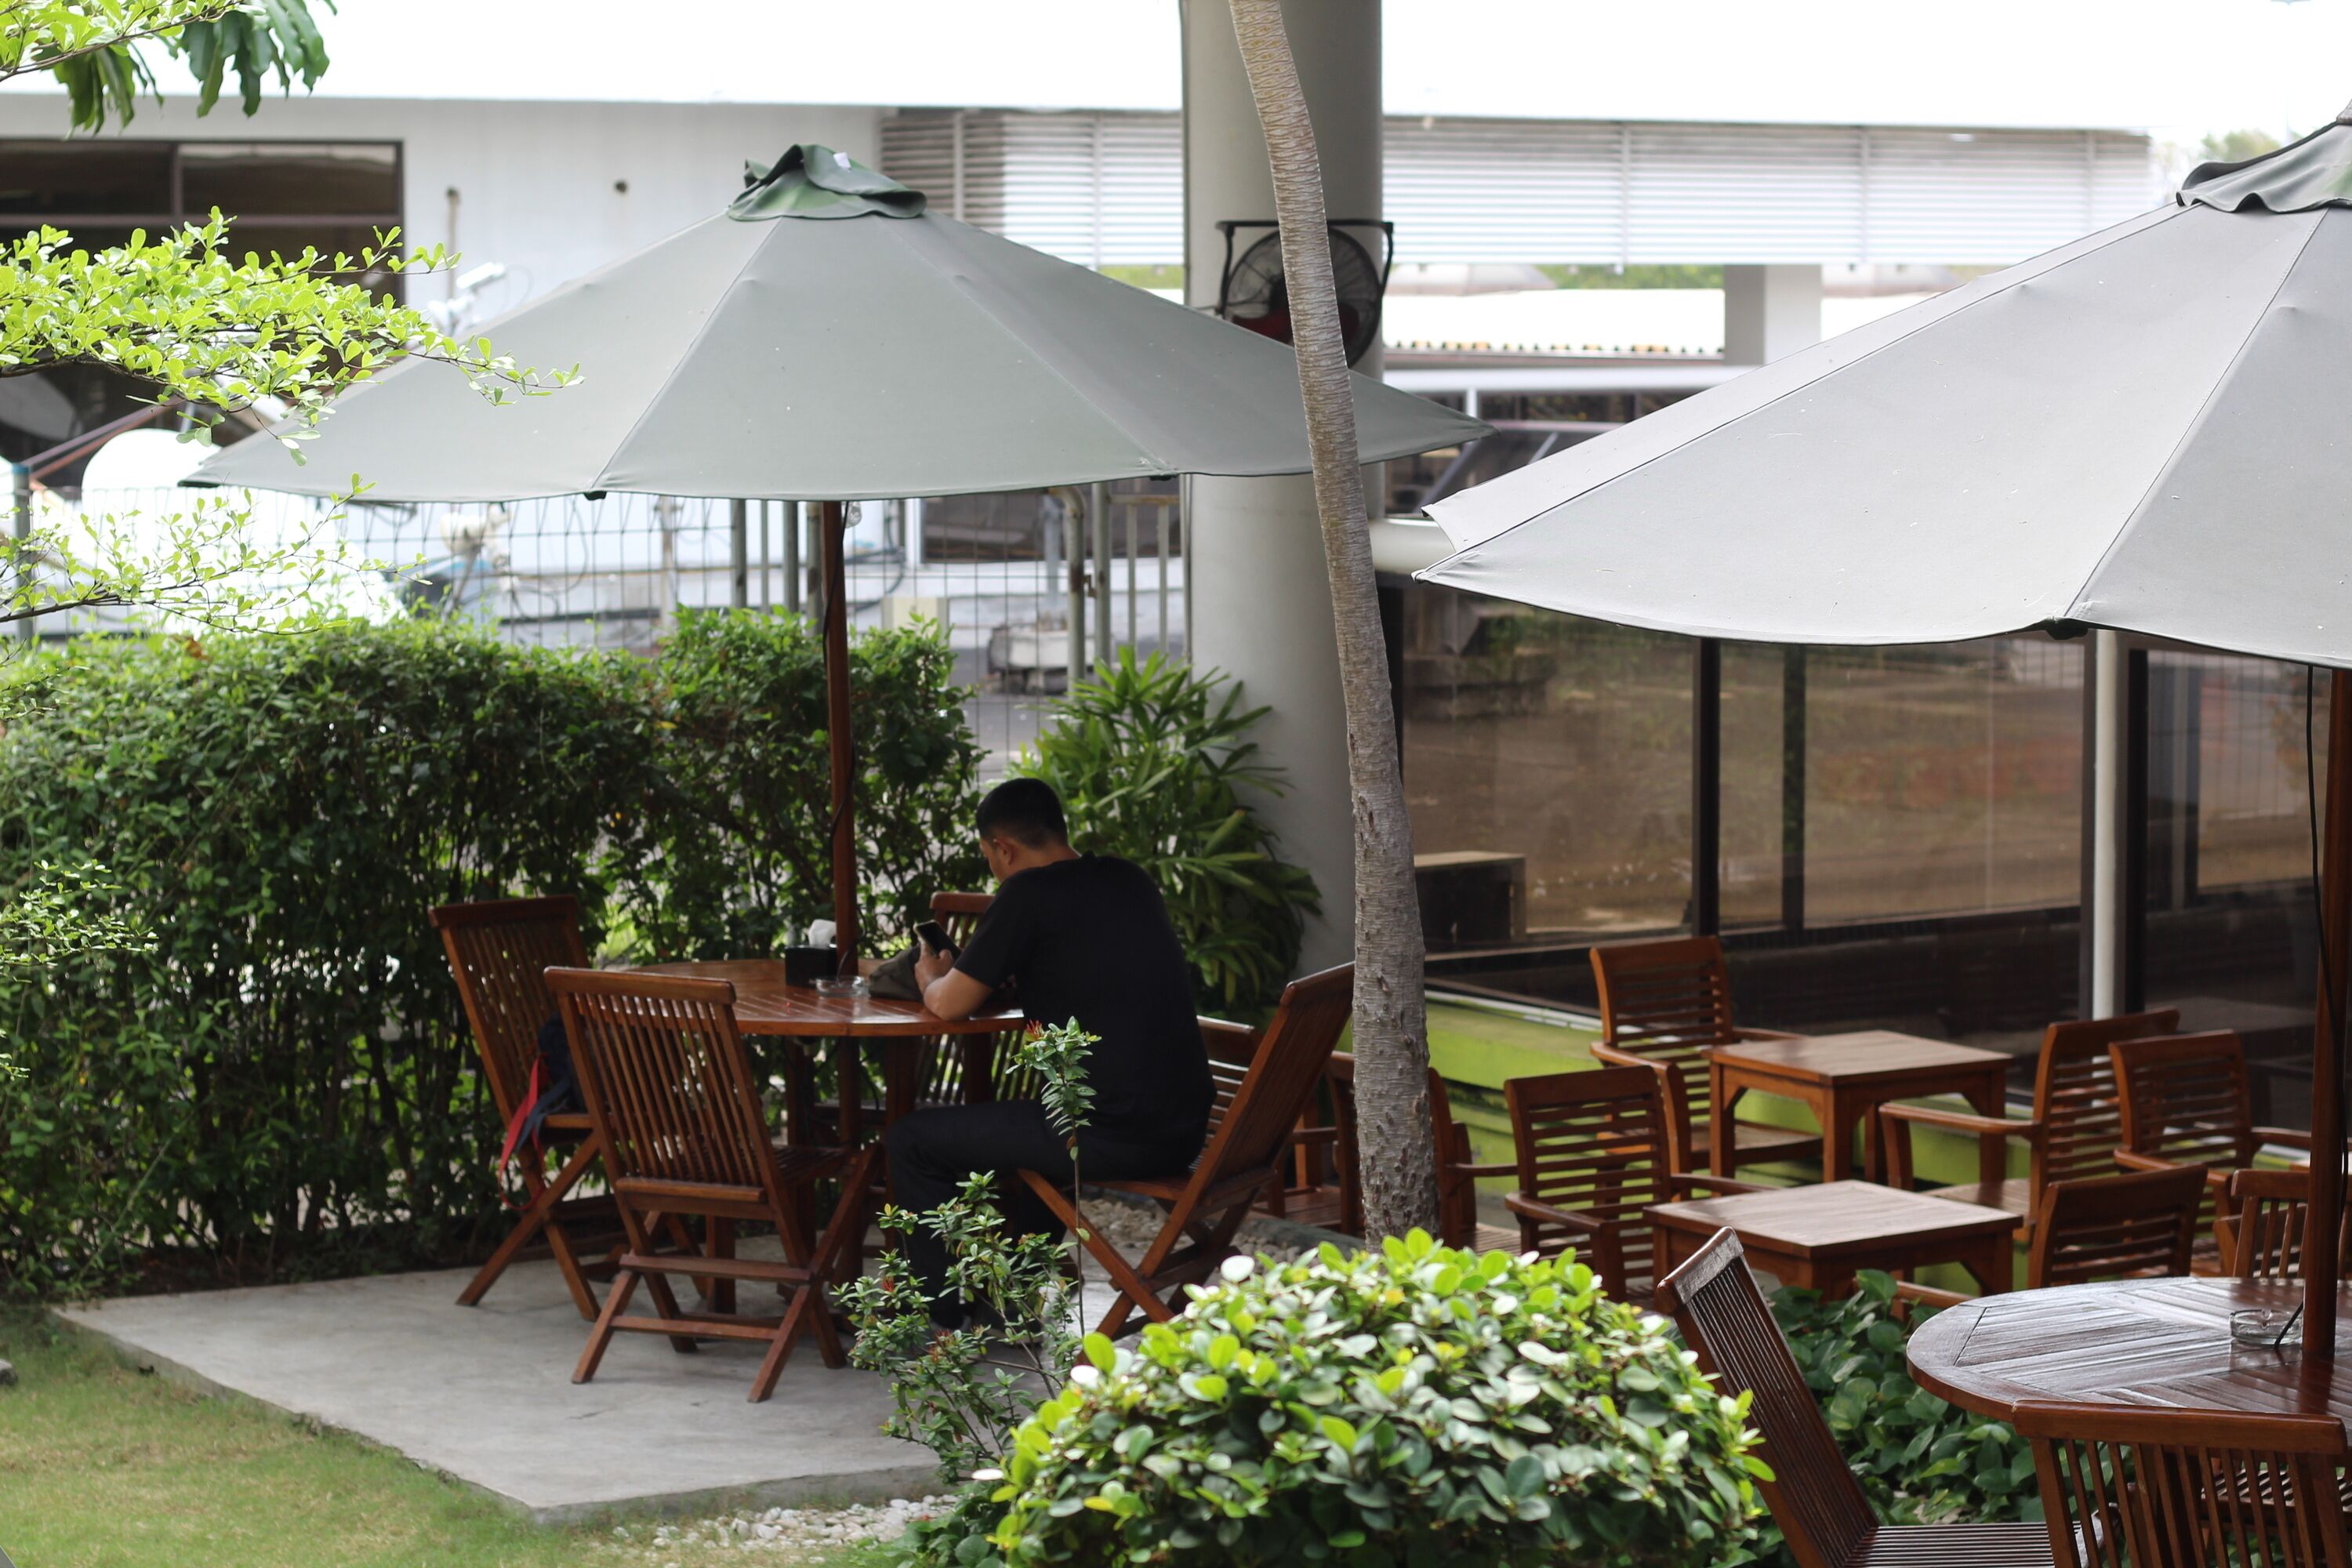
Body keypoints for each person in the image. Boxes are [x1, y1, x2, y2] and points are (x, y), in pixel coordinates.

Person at [888, 776, 1209, 1328]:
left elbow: (949, 1005)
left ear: (1002, 847)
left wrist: (928, 974)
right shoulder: (1128, 879)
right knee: (1034, 1130)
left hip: (1107, 1135)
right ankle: (1008, 1301)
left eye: (989, 855)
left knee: (911, 1140)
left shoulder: (1027, 893)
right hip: (1181, 1127)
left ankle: (934, 1314)